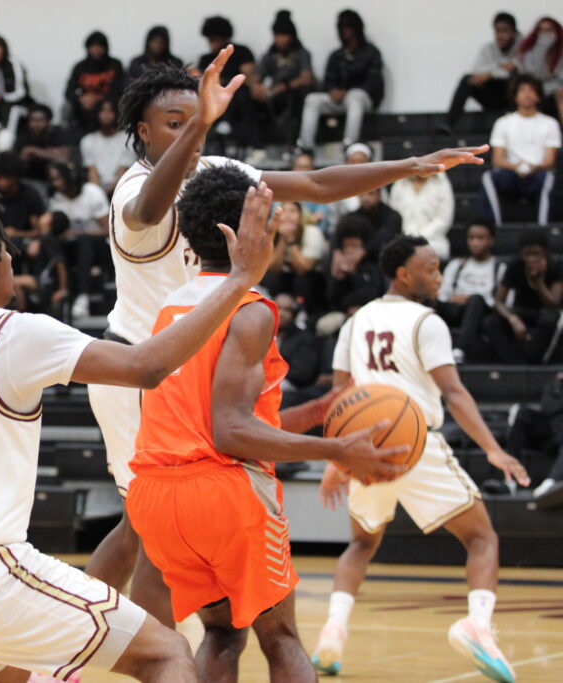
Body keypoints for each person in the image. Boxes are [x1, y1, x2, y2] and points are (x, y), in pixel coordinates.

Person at [86, 56, 487, 627]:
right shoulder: (132, 192)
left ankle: (142, 642)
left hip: (194, 362)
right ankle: (89, 649)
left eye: (192, 119)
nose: (188, 129)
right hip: (138, 369)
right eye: (174, 123)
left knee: (149, 523)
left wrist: (410, 165)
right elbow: (151, 208)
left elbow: (320, 184)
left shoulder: (214, 167)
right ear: (144, 133)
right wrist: (201, 124)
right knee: (144, 522)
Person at [0, 177, 279, 682]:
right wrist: (239, 281)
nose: (12, 258)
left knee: (17, 673)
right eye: (3, 249)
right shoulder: (14, 333)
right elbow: (147, 366)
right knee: (166, 653)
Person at [127, 165, 400, 682]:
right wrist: (336, 450)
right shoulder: (250, 311)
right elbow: (230, 432)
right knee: (281, 637)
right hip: (224, 494)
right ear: (253, 232)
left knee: (223, 633)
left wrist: (318, 413)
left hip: (159, 496)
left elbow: (202, 417)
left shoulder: (169, 308)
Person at [312, 235, 530, 682]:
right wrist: (493, 448)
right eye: (430, 268)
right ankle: (479, 627)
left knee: (362, 543)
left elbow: (337, 397)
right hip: (413, 443)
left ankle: (332, 631)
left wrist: (338, 457)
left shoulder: (357, 321)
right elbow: (453, 393)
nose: (437, 275)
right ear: (403, 275)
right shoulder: (426, 321)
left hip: (363, 448)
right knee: (481, 539)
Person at [480, 75, 560, 226]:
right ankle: (493, 227)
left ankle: (544, 227)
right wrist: (516, 166)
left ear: (538, 96)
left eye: (531, 91)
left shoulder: (550, 124)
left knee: (548, 178)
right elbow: (497, 159)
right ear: (515, 96)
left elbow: (550, 160)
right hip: (512, 173)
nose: (527, 94)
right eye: (522, 90)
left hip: (537, 173)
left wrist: (533, 167)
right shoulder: (503, 123)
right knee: (488, 177)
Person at [298, 9, 384, 150]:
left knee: (354, 96)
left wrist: (347, 91)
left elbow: (374, 84)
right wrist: (332, 91)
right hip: (339, 100)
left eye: (349, 27)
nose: (346, 32)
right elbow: (328, 80)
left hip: (364, 99)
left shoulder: (371, 53)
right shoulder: (336, 55)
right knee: (312, 99)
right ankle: (305, 147)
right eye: (342, 28)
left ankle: (349, 144)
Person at [482, 228, 563, 364]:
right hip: (522, 311)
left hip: (546, 313)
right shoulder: (515, 265)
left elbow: (553, 304)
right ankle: (515, 364)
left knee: (549, 321)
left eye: (536, 254)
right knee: (491, 322)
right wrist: (513, 319)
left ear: (545, 252)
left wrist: (539, 281)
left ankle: (535, 363)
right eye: (527, 254)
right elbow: (498, 301)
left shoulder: (556, 265)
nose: (532, 259)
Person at [46, 162, 111, 319]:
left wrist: (79, 232)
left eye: (58, 179)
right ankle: (60, 292)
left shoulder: (92, 192)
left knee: (83, 240)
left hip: (98, 247)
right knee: (51, 240)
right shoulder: (56, 199)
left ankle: (82, 297)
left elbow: (108, 230)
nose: (56, 184)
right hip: (71, 246)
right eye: (52, 180)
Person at [436, 218, 504, 363]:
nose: (476, 243)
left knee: (476, 300)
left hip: (482, 310)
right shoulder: (456, 265)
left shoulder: (499, 267)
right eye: (471, 238)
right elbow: (443, 295)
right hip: (457, 309)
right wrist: (452, 299)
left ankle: (460, 349)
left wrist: (471, 298)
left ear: (491, 240)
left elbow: (501, 300)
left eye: (481, 238)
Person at [442, 13, 519, 134]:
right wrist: (498, 70)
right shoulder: (488, 48)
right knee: (467, 79)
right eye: (497, 31)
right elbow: (477, 71)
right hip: (492, 95)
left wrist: (490, 73)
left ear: (514, 32)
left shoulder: (523, 47)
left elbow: (520, 70)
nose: (500, 35)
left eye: (505, 31)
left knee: (517, 79)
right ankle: (448, 124)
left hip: (511, 97)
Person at [253, 10, 315, 147]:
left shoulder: (301, 53)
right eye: (277, 35)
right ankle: (257, 145)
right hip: (275, 97)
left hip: (296, 95)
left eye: (284, 35)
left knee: (298, 98)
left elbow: (307, 79)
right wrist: (258, 89)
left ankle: (296, 144)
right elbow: (256, 78)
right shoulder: (270, 56)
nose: (280, 39)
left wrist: (284, 87)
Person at [195, 16, 257, 151]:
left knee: (240, 95)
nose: (211, 43)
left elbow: (248, 76)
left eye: (213, 39)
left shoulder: (241, 51)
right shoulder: (206, 59)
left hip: (239, 93)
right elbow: (201, 79)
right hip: (213, 95)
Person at [263, 201, 327, 313]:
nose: (287, 215)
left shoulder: (311, 232)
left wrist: (291, 241)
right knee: (270, 278)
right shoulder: (273, 234)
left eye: (292, 211)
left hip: (309, 279)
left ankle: (304, 314)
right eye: (283, 211)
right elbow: (274, 268)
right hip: (284, 277)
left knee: (302, 281)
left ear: (301, 214)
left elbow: (304, 268)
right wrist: (283, 238)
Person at [66, 31, 125, 133]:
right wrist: (81, 99)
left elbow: (119, 88)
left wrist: (98, 98)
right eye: (93, 47)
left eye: (99, 47)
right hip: (85, 106)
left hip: (108, 103)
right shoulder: (80, 67)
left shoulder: (115, 64)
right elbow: (69, 91)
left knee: (106, 107)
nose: (96, 50)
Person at [389, 173, 454, 260]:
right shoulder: (400, 182)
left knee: (422, 252)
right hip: (402, 238)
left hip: (433, 240)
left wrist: (418, 238)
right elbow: (394, 215)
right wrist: (407, 238)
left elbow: (443, 220)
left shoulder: (441, 182)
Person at [326, 215, 385, 313]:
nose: (350, 251)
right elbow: (331, 299)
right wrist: (340, 278)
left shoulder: (370, 268)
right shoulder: (336, 268)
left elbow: (373, 293)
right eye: (347, 246)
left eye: (354, 246)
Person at [80, 99, 136, 196]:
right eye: (102, 111)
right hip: (98, 189)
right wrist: (98, 194)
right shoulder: (87, 141)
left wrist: (111, 191)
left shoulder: (128, 138)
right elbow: (92, 171)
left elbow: (124, 170)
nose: (106, 114)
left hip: (124, 186)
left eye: (110, 110)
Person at [515, 17, 563, 123]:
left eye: (549, 30)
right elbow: (534, 76)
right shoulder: (529, 51)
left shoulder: (561, 51)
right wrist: (542, 48)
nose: (545, 35)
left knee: (560, 94)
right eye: (542, 30)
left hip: (557, 90)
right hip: (537, 88)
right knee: (529, 92)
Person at [0, 34, 30, 126]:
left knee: (7, 109)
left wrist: (2, 98)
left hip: (17, 104)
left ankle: (6, 139)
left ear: (3, 48)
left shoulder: (14, 64)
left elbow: (21, 92)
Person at [13, 104, 72, 183]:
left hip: (52, 180)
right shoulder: (23, 134)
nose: (36, 124)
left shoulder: (58, 133)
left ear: (49, 121)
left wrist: (33, 151)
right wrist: (50, 153)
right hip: (28, 178)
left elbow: (64, 157)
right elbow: (22, 157)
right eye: (33, 120)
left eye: (41, 120)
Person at [349, 187, 403, 261]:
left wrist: (363, 250)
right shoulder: (352, 217)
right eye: (361, 194)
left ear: (379, 195)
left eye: (370, 193)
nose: (365, 198)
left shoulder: (393, 216)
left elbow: (385, 237)